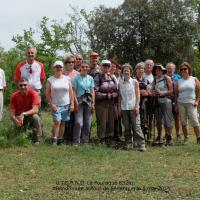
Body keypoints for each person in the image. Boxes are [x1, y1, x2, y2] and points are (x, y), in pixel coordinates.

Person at [46, 61, 74, 145]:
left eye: (60, 67)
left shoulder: (67, 79)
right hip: (55, 104)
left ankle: (60, 139)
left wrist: (72, 103)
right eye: (57, 67)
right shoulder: (50, 79)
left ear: (62, 68)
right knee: (57, 122)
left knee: (63, 122)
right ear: (54, 68)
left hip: (66, 104)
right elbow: (47, 92)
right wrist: (51, 103)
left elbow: (71, 92)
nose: (58, 68)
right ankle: (54, 139)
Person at [119, 63, 146, 151]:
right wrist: (119, 107)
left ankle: (141, 144)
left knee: (136, 126)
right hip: (124, 108)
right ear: (122, 72)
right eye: (124, 71)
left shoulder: (134, 82)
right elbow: (120, 96)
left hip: (133, 107)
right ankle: (128, 143)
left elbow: (138, 95)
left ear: (131, 72)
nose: (126, 72)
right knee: (126, 127)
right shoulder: (120, 83)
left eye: (128, 71)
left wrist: (137, 106)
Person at [10, 77, 42, 144]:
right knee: (18, 138)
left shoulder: (33, 93)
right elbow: (12, 114)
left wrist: (23, 114)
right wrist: (15, 120)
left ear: (28, 86)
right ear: (18, 86)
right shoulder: (14, 96)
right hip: (19, 118)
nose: (23, 87)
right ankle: (22, 134)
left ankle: (37, 140)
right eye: (21, 85)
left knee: (36, 117)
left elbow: (35, 110)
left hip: (30, 115)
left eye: (25, 85)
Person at [175, 62, 200, 145]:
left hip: (191, 103)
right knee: (183, 122)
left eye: (185, 69)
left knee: (195, 121)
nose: (183, 70)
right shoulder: (178, 81)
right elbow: (176, 94)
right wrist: (176, 105)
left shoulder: (194, 79)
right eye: (181, 69)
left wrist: (197, 101)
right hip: (181, 103)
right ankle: (186, 139)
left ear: (189, 69)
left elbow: (198, 91)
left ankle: (198, 138)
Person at [94, 60, 118, 146]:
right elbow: (95, 92)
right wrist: (105, 95)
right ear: (101, 66)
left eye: (108, 66)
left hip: (111, 104)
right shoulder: (97, 77)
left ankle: (110, 139)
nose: (106, 68)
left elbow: (117, 88)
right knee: (102, 122)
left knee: (111, 121)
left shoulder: (112, 77)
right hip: (101, 104)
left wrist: (116, 94)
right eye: (104, 66)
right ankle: (102, 139)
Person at [72, 61, 95, 145]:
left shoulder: (90, 78)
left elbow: (92, 91)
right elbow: (73, 91)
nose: (85, 68)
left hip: (88, 100)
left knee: (88, 122)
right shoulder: (76, 78)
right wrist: (75, 102)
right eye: (83, 66)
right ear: (80, 67)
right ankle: (76, 140)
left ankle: (85, 140)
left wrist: (93, 103)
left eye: (86, 67)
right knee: (78, 122)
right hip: (79, 100)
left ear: (88, 68)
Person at [151, 64, 173, 146]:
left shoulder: (166, 78)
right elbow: (151, 89)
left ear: (163, 71)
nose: (158, 71)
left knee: (168, 120)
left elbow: (171, 91)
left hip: (166, 100)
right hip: (157, 102)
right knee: (158, 121)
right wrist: (152, 92)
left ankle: (169, 137)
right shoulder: (155, 80)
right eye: (156, 70)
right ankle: (159, 136)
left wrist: (161, 92)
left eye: (160, 70)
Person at [63, 55, 79, 144]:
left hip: (75, 98)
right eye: (69, 62)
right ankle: (65, 137)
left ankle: (73, 138)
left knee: (74, 119)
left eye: (73, 62)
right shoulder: (63, 73)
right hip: (64, 99)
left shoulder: (77, 74)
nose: (71, 64)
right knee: (65, 119)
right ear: (66, 63)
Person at [134, 62, 150, 141]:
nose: (141, 70)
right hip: (135, 103)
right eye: (139, 68)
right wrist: (140, 92)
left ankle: (144, 137)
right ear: (136, 70)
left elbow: (149, 90)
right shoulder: (133, 79)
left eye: (142, 69)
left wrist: (146, 93)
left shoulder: (146, 80)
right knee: (137, 120)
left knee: (144, 119)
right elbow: (131, 90)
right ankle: (136, 137)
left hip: (145, 102)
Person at [166, 62, 181, 139]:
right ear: (166, 69)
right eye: (168, 68)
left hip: (176, 100)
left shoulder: (178, 77)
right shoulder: (163, 77)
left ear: (174, 69)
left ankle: (178, 133)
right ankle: (169, 134)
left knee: (176, 117)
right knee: (168, 118)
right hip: (166, 100)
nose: (170, 70)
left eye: (171, 68)